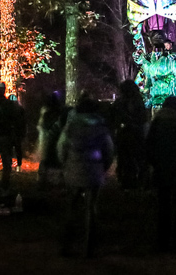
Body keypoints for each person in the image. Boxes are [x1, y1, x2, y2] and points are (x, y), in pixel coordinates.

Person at [56, 93, 115, 257]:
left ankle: (67, 244)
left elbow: (61, 148)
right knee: (91, 208)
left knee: (72, 207)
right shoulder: (101, 127)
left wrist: (65, 164)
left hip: (74, 168)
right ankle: (88, 246)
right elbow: (109, 151)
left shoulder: (71, 126)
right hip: (94, 168)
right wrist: (104, 167)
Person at [146, 95, 176, 253]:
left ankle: (163, 241)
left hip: (162, 167)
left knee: (163, 205)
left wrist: (153, 163)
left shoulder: (158, 122)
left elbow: (149, 145)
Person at [111, 80, 148, 190]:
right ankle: (135, 179)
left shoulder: (121, 102)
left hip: (126, 134)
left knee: (125, 158)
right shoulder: (137, 101)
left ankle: (127, 180)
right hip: (135, 134)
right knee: (134, 157)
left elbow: (114, 117)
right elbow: (143, 118)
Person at [37, 91, 65, 188]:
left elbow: (42, 125)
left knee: (46, 158)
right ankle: (53, 181)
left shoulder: (46, 111)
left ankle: (43, 180)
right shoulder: (59, 112)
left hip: (47, 137)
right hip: (55, 137)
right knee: (53, 158)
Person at [10, 94, 27, 172]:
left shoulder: (10, 109)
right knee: (17, 149)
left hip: (14, 132)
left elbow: (23, 122)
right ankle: (17, 166)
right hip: (16, 132)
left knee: (14, 149)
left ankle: (15, 165)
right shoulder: (20, 109)